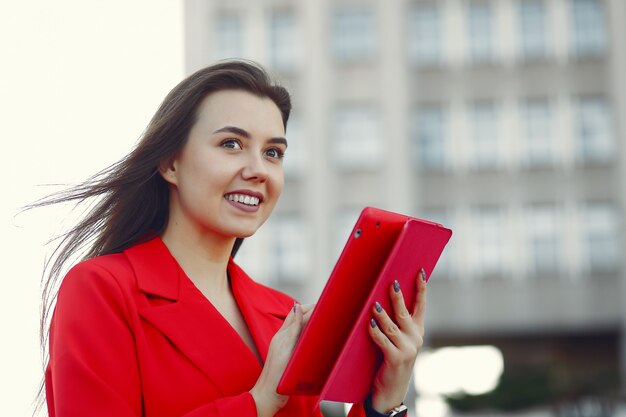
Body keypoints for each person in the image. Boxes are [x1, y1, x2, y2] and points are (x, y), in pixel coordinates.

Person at [39, 60, 427, 417]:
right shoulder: (103, 290)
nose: (258, 170)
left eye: (273, 152)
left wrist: (382, 401)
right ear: (170, 163)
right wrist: (257, 404)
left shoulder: (284, 316)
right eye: (231, 144)